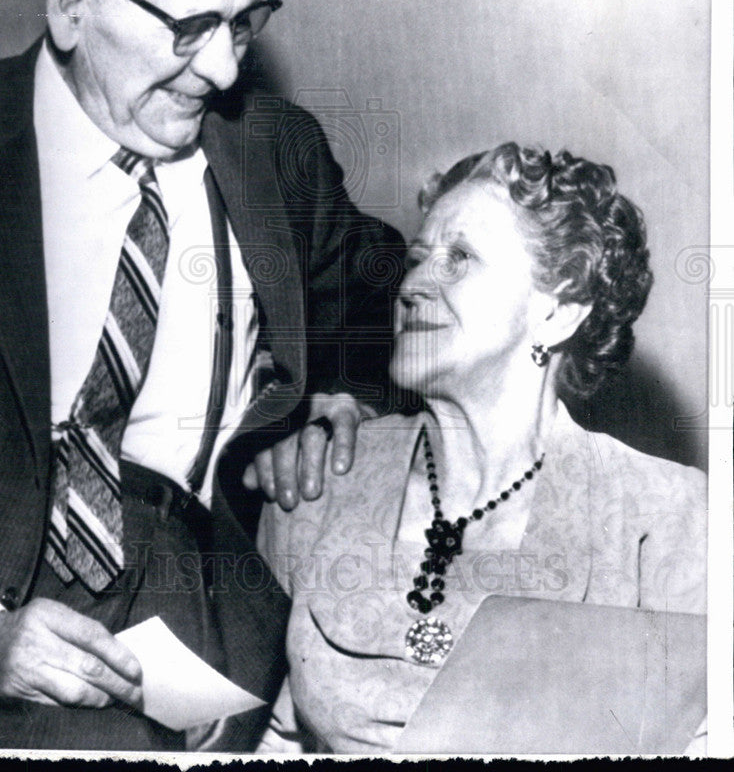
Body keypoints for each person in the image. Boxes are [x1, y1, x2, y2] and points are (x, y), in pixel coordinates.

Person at [0, 0, 403, 751]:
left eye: (244, 23)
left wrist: (346, 400)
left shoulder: (273, 151)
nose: (222, 71)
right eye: (189, 29)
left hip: (203, 605)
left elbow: (382, 294)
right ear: (71, 4)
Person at [257, 143, 707, 754]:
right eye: (416, 259)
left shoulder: (671, 519)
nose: (412, 284)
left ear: (558, 312)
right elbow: (267, 737)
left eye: (459, 258)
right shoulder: (323, 479)